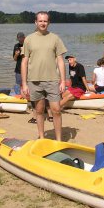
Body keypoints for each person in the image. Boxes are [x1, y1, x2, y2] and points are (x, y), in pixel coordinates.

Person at [21, 11, 67, 141]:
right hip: (34, 81)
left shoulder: (55, 38)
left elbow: (60, 61)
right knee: (39, 110)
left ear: (49, 22)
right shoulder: (29, 39)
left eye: (45, 21)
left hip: (52, 80)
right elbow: (24, 62)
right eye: (40, 21)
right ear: (36, 22)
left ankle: (59, 140)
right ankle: (41, 137)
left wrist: (63, 81)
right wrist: (24, 84)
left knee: (56, 110)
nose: (43, 23)